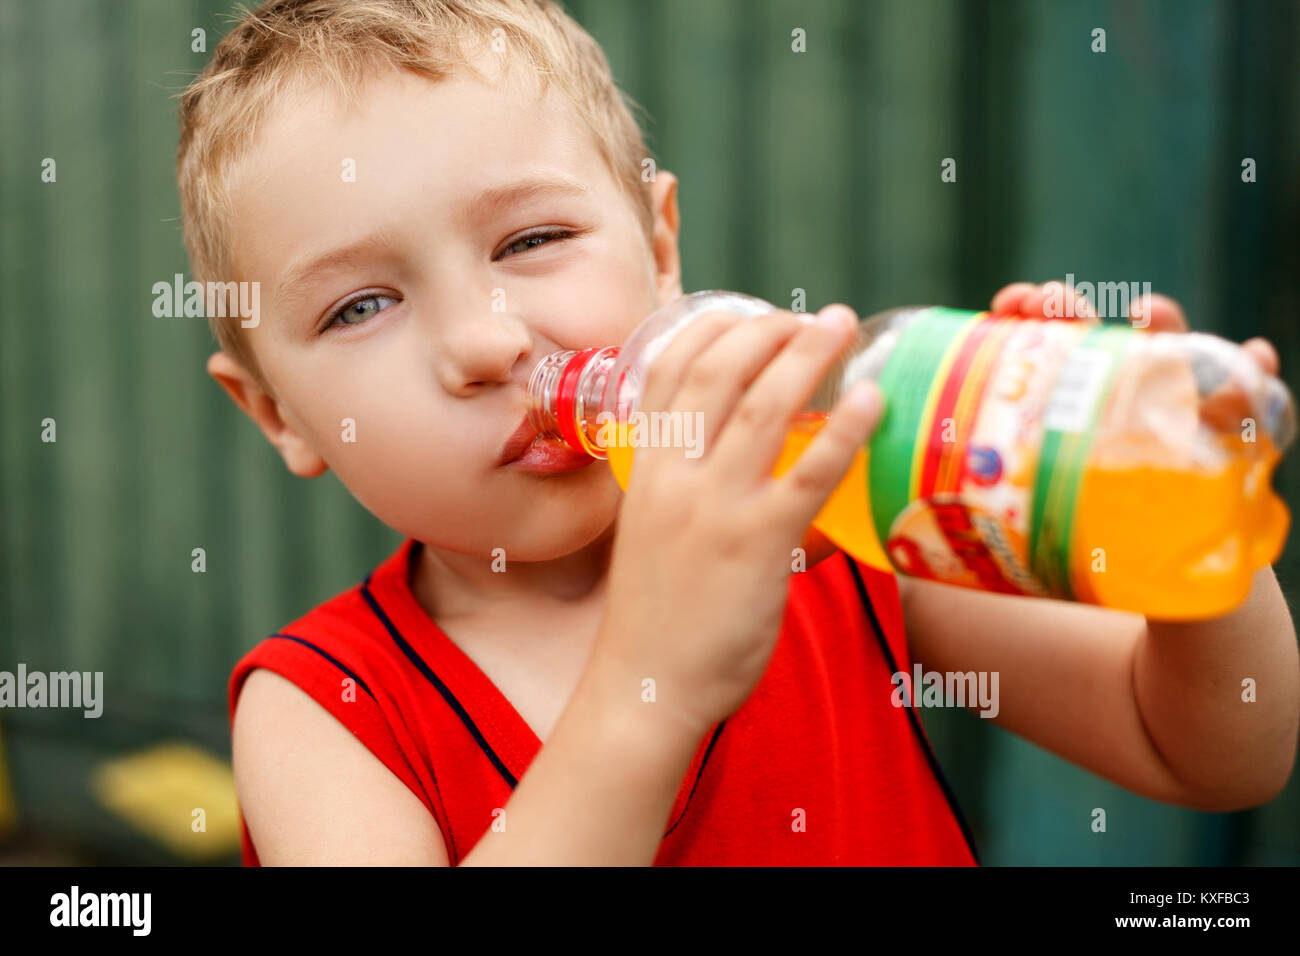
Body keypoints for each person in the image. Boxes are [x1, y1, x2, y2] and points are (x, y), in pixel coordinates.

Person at [175, 0, 1298, 865]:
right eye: (360, 305)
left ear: (662, 248)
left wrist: (1168, 509)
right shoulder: (325, 711)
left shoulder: (836, 511)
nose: (485, 340)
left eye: (531, 239)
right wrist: (649, 678)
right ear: (277, 410)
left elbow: (1208, 749)